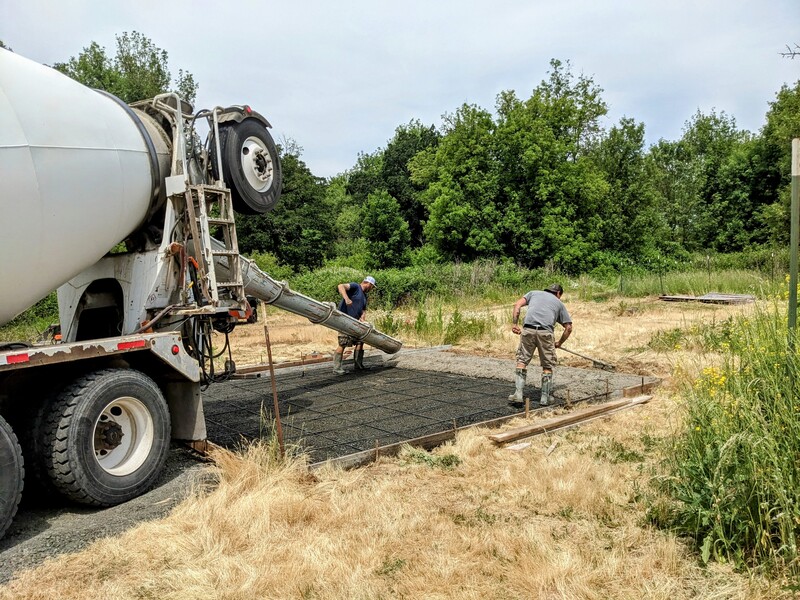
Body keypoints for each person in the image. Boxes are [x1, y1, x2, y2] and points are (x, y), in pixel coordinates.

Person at [508, 283, 572, 406]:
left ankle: (518, 394)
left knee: (522, 360)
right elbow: (568, 328)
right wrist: (559, 343)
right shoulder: (559, 303)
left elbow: (517, 305)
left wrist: (515, 324)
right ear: (558, 293)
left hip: (528, 330)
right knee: (547, 365)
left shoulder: (533, 293)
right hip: (545, 333)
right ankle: (545, 397)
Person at [332, 276, 377, 375]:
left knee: (360, 342)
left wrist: (362, 318)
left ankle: (358, 365)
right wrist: (347, 299)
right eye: (372, 287)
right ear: (368, 284)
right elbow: (340, 286)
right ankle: (337, 368)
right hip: (344, 320)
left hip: (356, 322)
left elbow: (363, 309)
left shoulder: (365, 296)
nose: (372, 289)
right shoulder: (355, 287)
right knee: (343, 342)